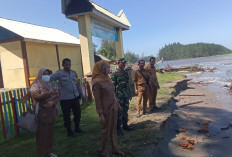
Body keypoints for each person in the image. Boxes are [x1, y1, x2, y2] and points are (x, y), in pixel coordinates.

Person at [92, 60, 124, 157]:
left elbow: (113, 93)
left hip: (113, 107)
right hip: (105, 110)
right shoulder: (96, 82)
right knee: (105, 130)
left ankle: (115, 147)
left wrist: (117, 103)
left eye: (108, 67)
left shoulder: (108, 78)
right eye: (106, 67)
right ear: (100, 69)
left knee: (113, 128)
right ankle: (104, 151)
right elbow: (97, 100)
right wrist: (100, 114)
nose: (108, 69)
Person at [30, 68, 59, 157]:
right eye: (44, 73)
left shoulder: (49, 84)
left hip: (50, 112)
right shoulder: (35, 85)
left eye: (47, 73)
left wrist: (52, 103)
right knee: (42, 135)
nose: (46, 75)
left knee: (50, 134)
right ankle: (41, 154)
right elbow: (36, 97)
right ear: (40, 74)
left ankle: (49, 151)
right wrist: (49, 93)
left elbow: (57, 96)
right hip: (41, 113)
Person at [50, 58, 83, 137]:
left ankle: (77, 128)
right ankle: (69, 132)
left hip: (75, 97)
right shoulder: (59, 73)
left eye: (69, 64)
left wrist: (81, 94)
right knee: (67, 116)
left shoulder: (74, 73)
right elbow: (50, 78)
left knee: (77, 113)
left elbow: (78, 83)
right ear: (63, 65)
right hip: (65, 99)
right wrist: (44, 75)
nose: (68, 66)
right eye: (66, 64)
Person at [111, 58, 133, 136]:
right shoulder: (114, 73)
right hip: (119, 96)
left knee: (125, 110)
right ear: (118, 63)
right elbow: (113, 87)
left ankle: (125, 125)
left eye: (124, 63)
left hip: (125, 95)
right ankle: (118, 128)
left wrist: (130, 93)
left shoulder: (125, 72)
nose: (123, 64)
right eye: (122, 63)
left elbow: (128, 84)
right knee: (119, 112)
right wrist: (114, 98)